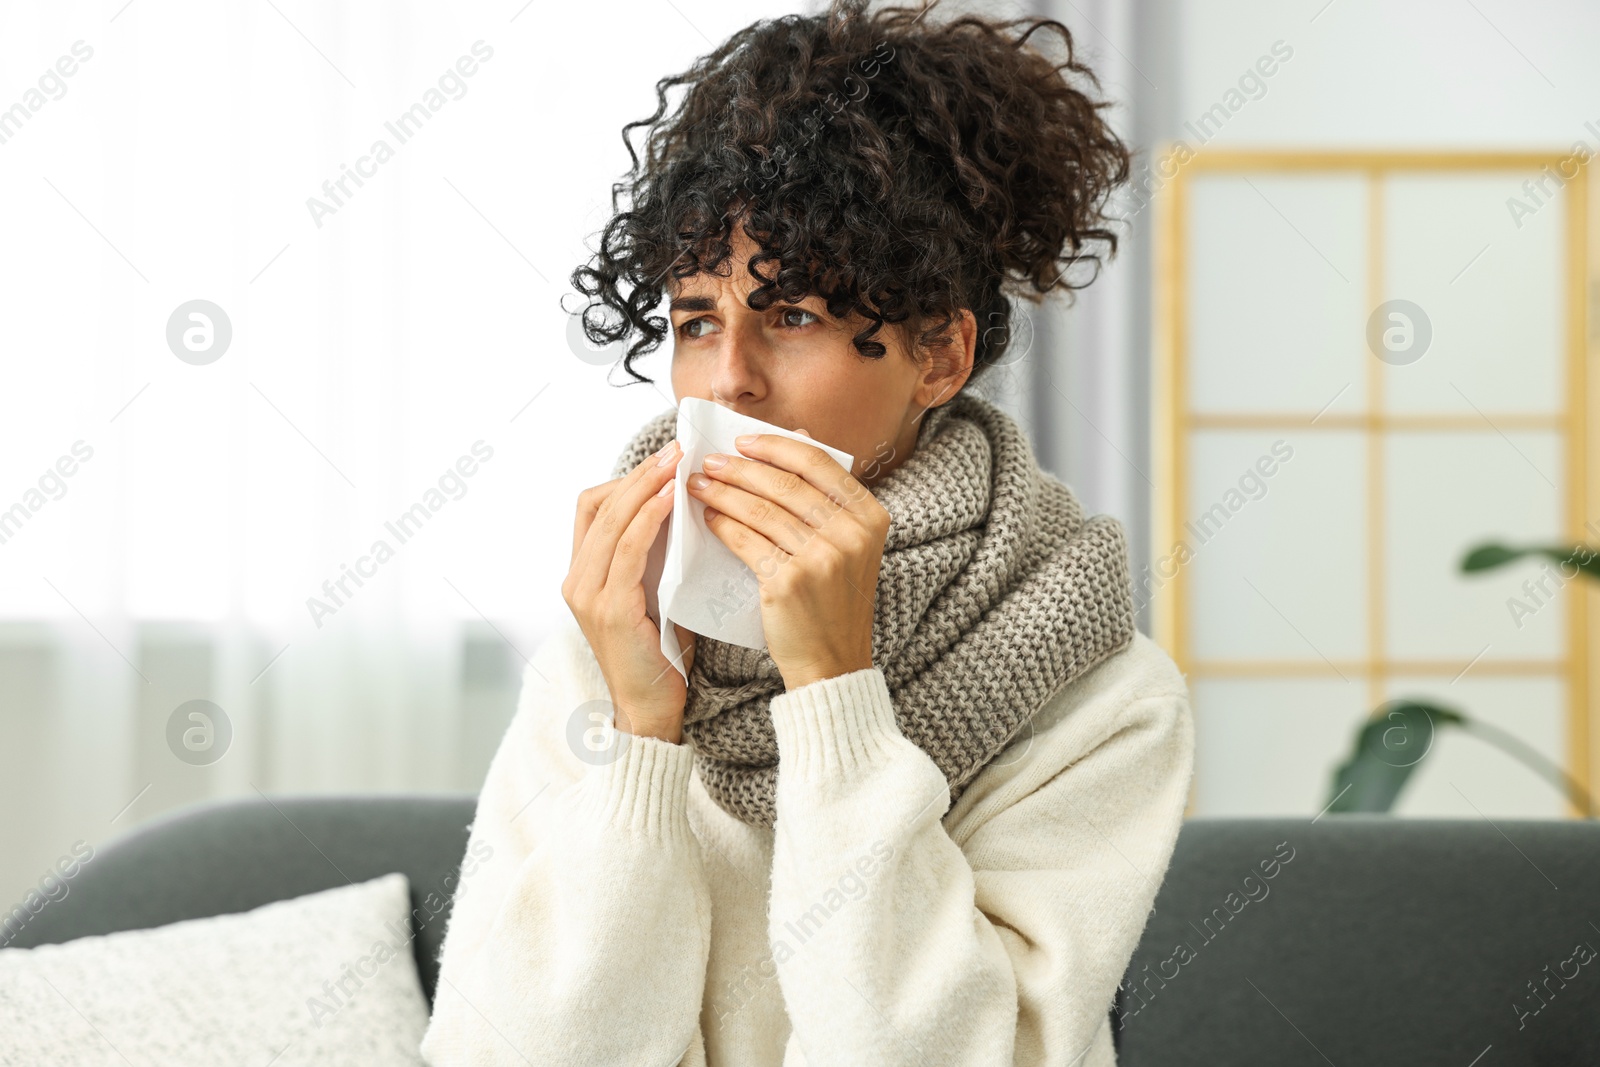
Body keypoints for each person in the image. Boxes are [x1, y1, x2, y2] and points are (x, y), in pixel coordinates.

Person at [419, 1, 1193, 1063]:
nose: (729, 376)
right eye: (697, 321)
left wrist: (834, 694)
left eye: (792, 316)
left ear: (937, 355)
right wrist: (641, 733)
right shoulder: (617, 636)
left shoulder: (1096, 695)